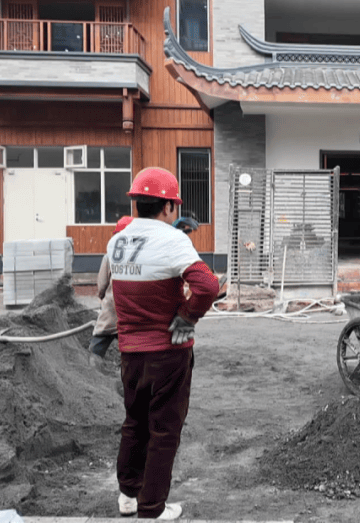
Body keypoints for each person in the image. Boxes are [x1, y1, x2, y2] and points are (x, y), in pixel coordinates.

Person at [109, 167, 220, 520]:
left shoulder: (117, 241)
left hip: (130, 352)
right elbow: (208, 286)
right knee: (164, 431)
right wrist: (187, 317)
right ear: (170, 206)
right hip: (168, 353)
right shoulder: (173, 240)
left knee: (134, 423)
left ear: (137, 203)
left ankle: (128, 496)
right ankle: (152, 508)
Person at [90, 215, 133, 358]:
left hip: (112, 309)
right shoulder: (141, 257)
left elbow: (102, 284)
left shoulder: (109, 255)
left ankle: (91, 368)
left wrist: (102, 297)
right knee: (133, 352)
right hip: (132, 313)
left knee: (97, 346)